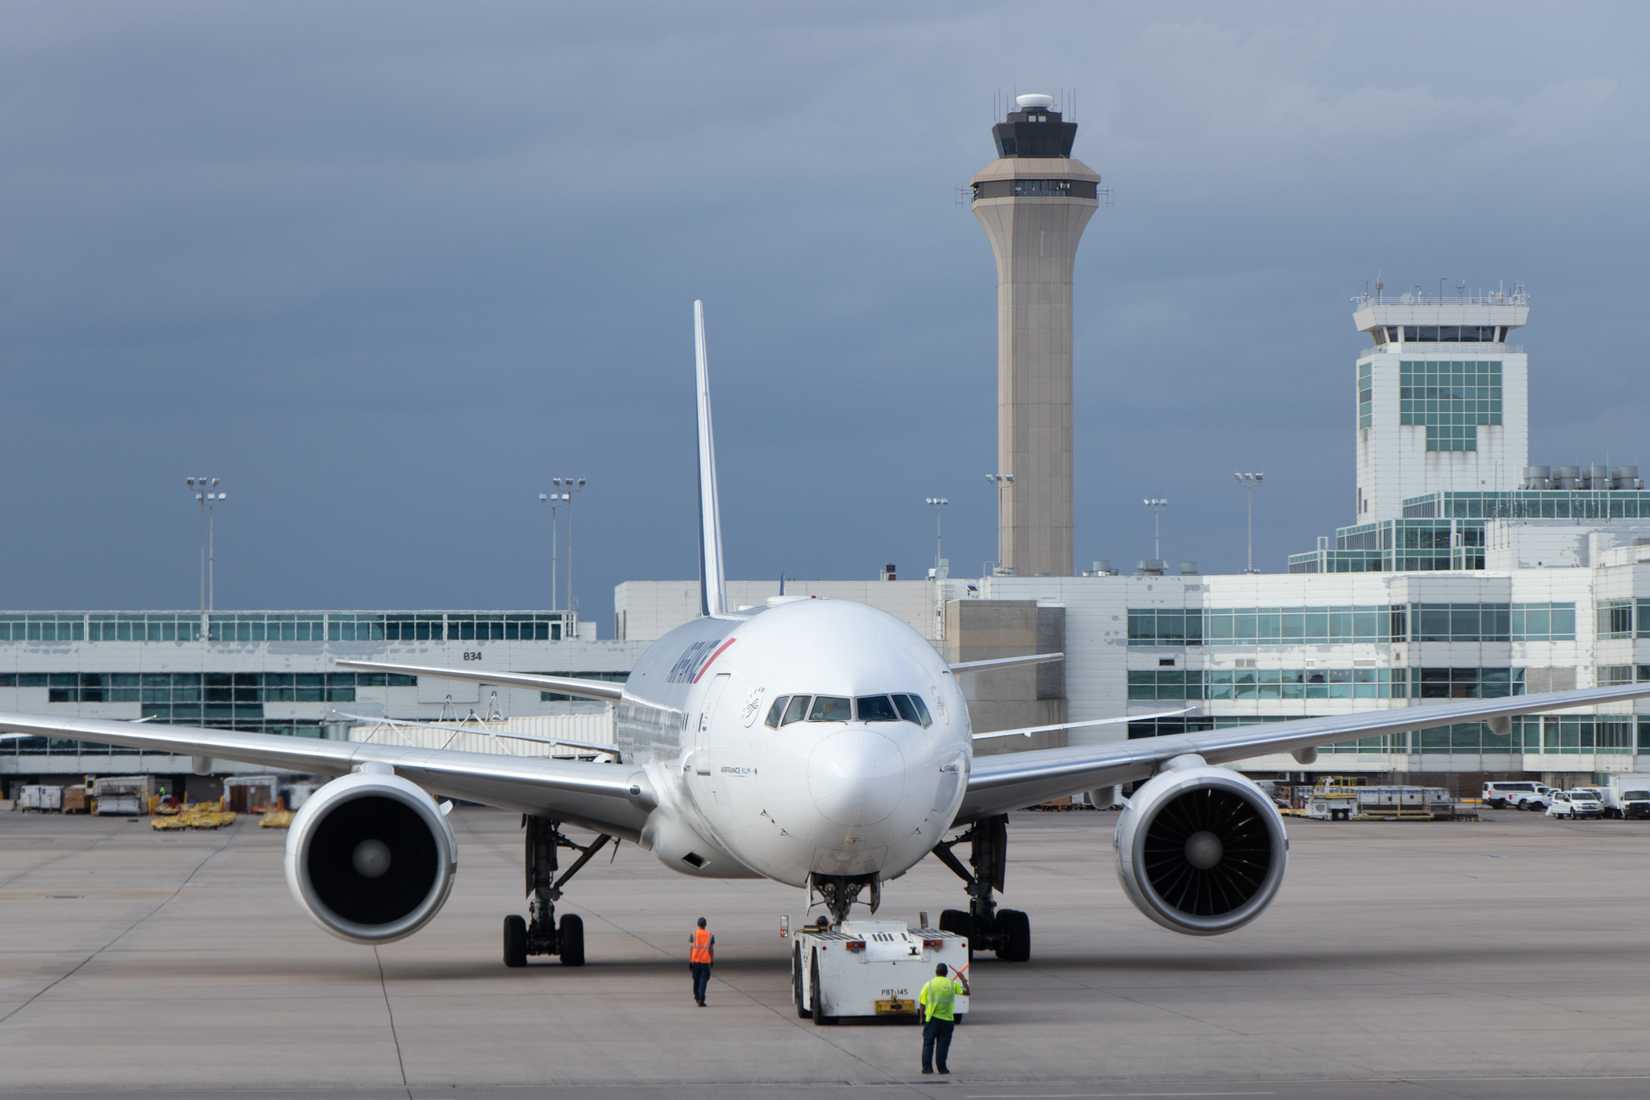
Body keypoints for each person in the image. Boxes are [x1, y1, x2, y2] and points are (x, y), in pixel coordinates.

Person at [918, 962, 970, 1075]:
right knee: (943, 1045)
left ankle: (927, 1069)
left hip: (932, 1020)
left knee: (928, 1044)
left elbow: (922, 1004)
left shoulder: (929, 984)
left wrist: (921, 1018)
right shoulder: (952, 984)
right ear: (946, 973)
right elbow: (967, 992)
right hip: (947, 1020)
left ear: (936, 972)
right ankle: (942, 1068)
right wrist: (963, 980)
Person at [688, 916, 714, 1006]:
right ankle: (701, 999)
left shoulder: (694, 934)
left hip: (695, 961)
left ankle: (697, 996)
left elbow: (691, 948)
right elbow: (711, 949)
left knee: (696, 980)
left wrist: (690, 961)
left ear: (698, 924)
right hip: (705, 962)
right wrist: (712, 960)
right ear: (705, 925)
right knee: (703, 981)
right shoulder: (710, 935)